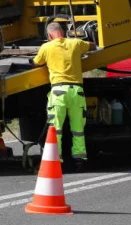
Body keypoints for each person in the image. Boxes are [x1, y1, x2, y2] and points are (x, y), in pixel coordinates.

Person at [31, 21, 97, 170]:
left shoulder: (46, 47)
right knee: (78, 128)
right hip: (76, 92)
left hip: (58, 93)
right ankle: (80, 160)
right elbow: (92, 46)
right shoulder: (76, 43)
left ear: (49, 35)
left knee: (56, 129)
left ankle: (56, 160)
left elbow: (35, 63)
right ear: (63, 32)